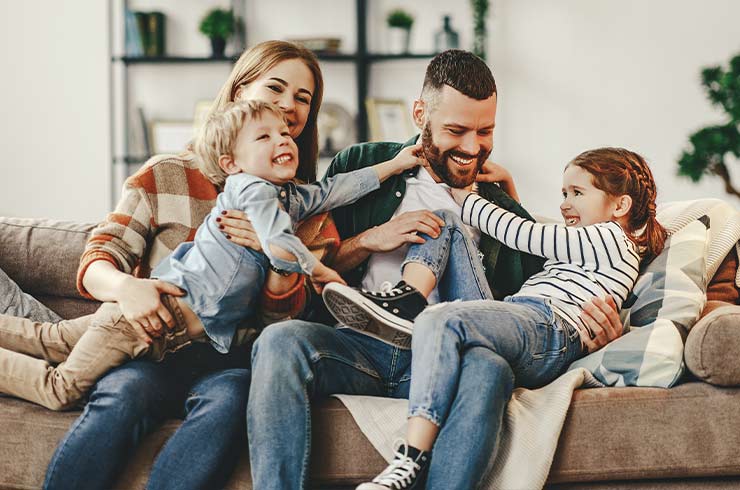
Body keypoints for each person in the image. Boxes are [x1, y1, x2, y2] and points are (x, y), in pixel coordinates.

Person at [246, 49, 626, 489]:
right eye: (456, 130)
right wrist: (369, 240)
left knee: (489, 366)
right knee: (280, 341)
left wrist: (595, 331)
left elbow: (535, 305)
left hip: (450, 357)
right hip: (360, 346)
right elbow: (312, 266)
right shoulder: (362, 164)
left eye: (485, 132)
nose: (472, 148)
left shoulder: (496, 201)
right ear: (420, 113)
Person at [26, 40, 326, 489]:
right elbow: (99, 258)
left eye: (302, 99)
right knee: (124, 392)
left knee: (229, 400)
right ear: (240, 90)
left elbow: (277, 323)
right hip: (150, 347)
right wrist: (128, 288)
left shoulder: (297, 204)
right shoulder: (167, 171)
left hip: (227, 358)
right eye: (276, 88)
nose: (288, 105)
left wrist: (277, 259)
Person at [0, 99, 423, 411]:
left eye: (285, 133)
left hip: (163, 334)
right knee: (61, 389)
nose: (284, 140)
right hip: (144, 319)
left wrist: (394, 164)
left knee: (50, 340)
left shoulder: (286, 196)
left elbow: (335, 189)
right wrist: (321, 271)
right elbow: (278, 241)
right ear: (232, 163)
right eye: (265, 136)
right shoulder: (251, 191)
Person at [325, 147, 666, 489]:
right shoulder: (589, 247)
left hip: (549, 326)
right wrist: (507, 188)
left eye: (577, 193)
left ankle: (410, 458)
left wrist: (467, 196)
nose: (564, 203)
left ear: (620, 206)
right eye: (563, 193)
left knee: (441, 318)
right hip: (522, 317)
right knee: (444, 222)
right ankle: (407, 300)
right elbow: (534, 251)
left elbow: (527, 236)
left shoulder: (610, 238)